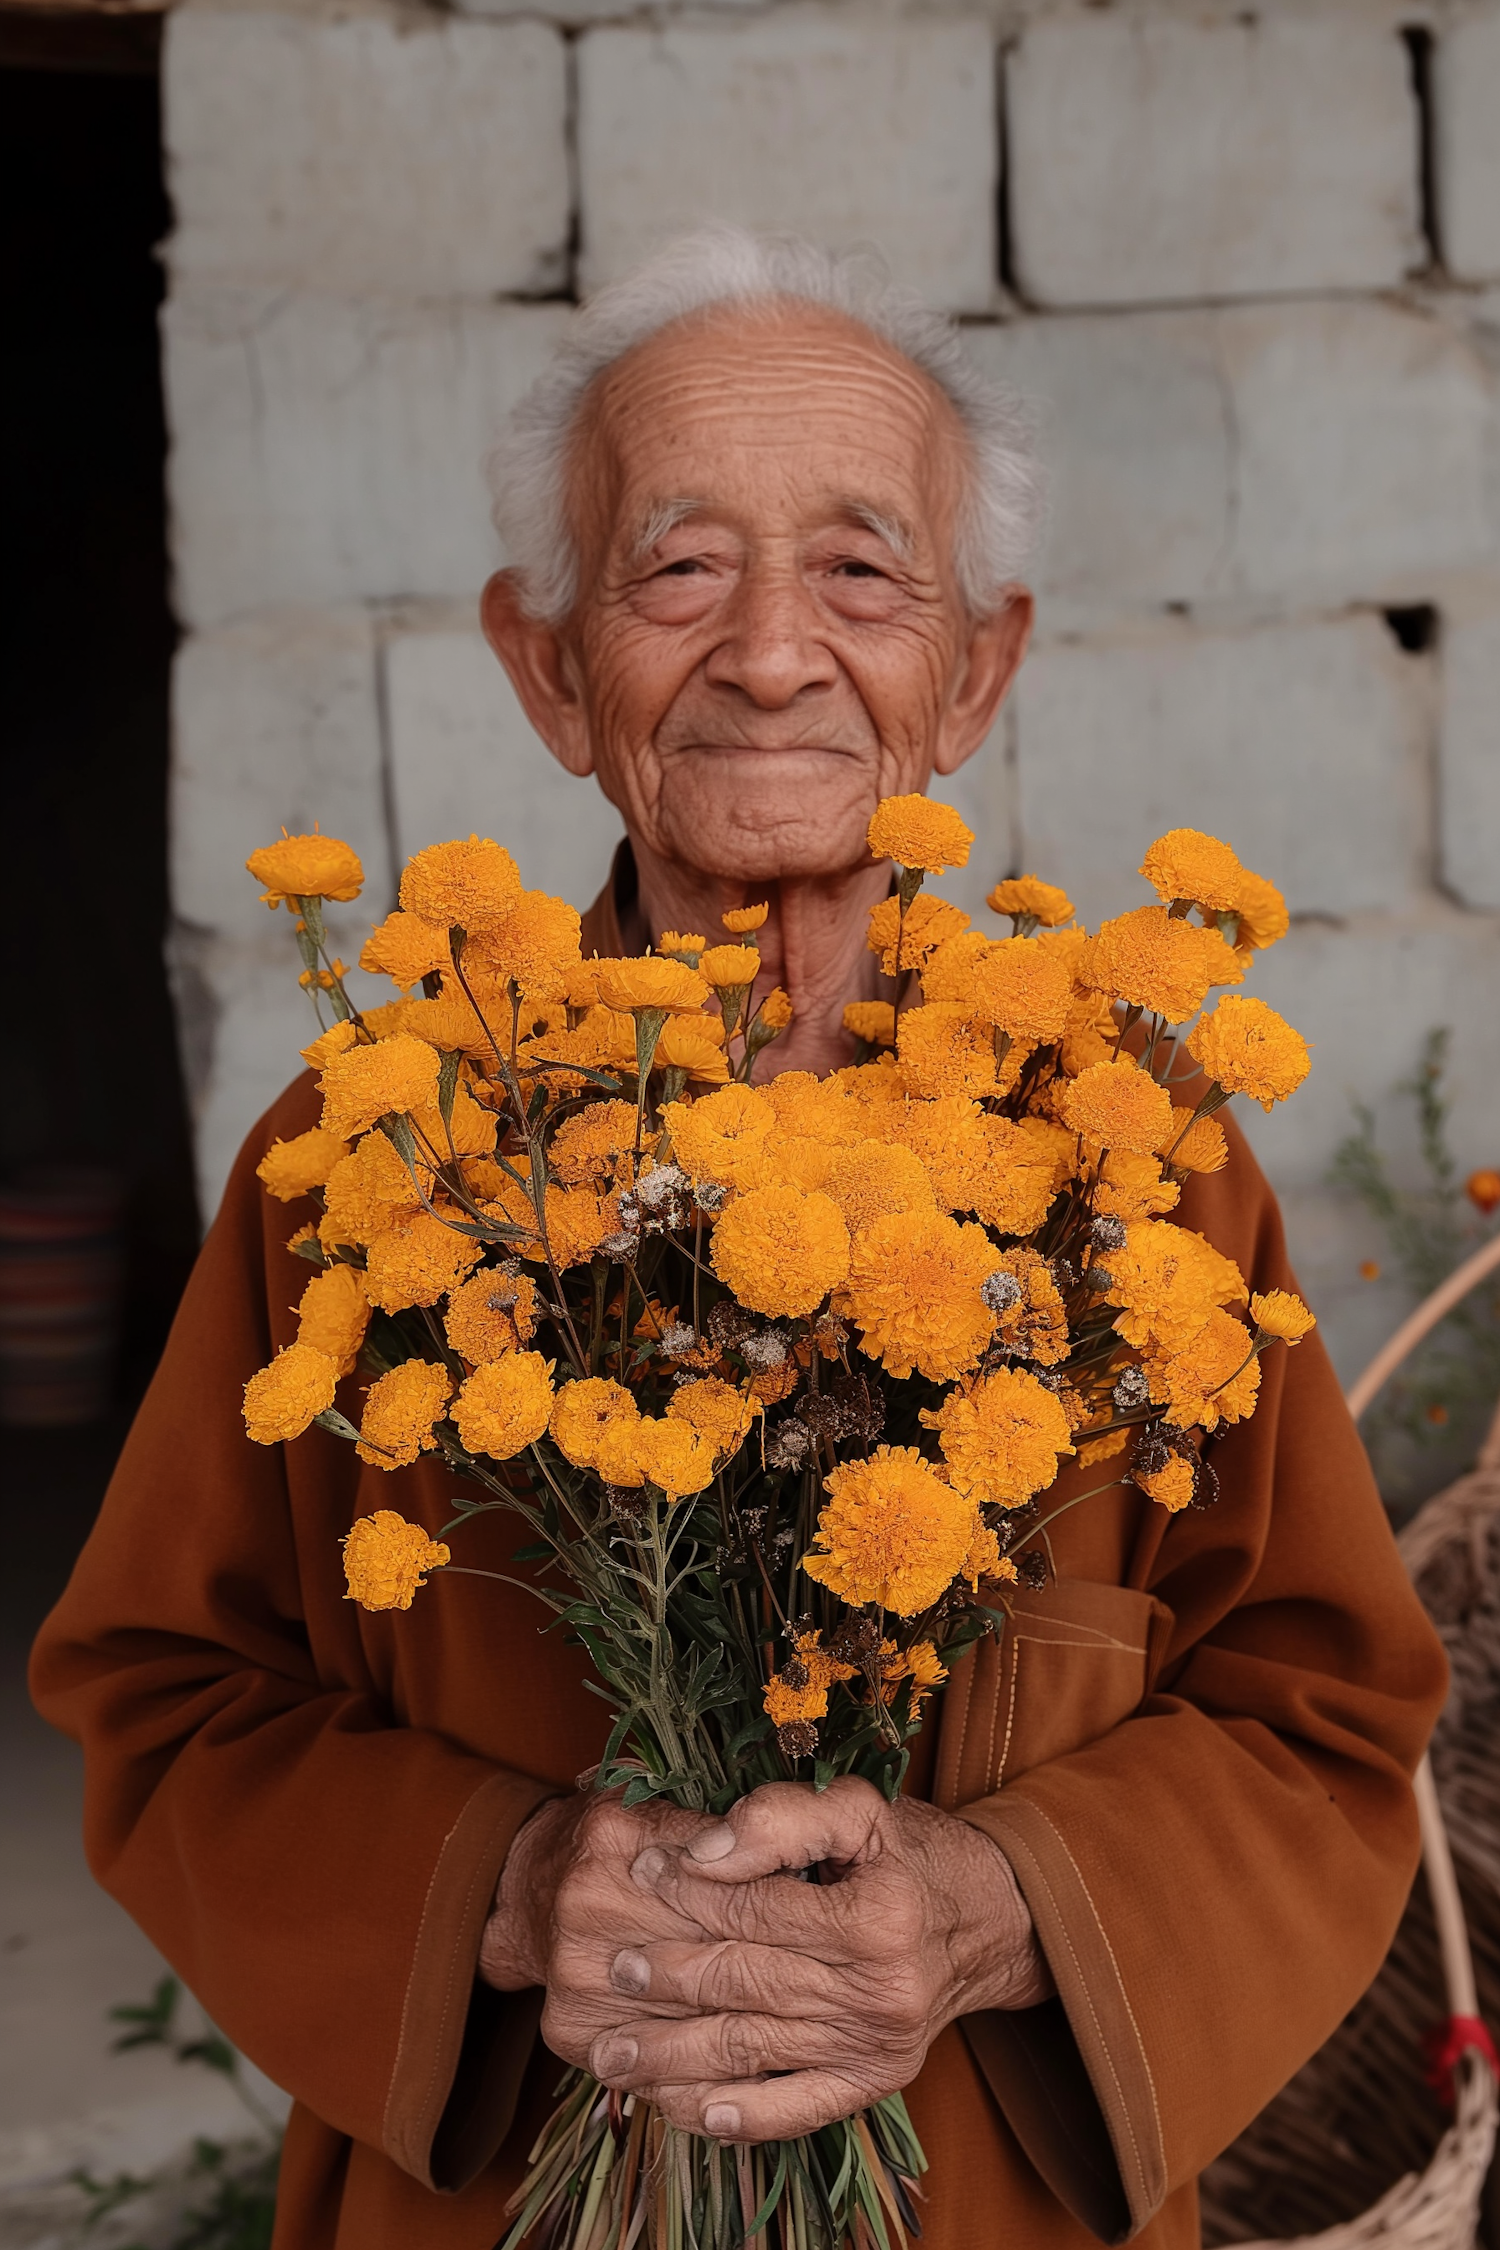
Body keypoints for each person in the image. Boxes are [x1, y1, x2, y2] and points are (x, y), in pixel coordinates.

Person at [32, 232, 1446, 2250]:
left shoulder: (1134, 1167)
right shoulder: (375, 1156)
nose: (773, 652)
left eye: (864, 574)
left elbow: (1317, 1715)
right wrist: (510, 1892)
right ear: (547, 667)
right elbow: (168, 1698)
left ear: (977, 672)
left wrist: (1000, 1909)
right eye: (678, 569)